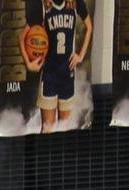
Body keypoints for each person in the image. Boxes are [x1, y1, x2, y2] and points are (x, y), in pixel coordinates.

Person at [27, 0, 92, 133]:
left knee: (64, 129)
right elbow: (23, 37)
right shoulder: (43, 5)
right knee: (48, 127)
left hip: (67, 75)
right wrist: (29, 63)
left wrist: (80, 55)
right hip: (49, 74)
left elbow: (89, 27)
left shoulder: (74, 3)